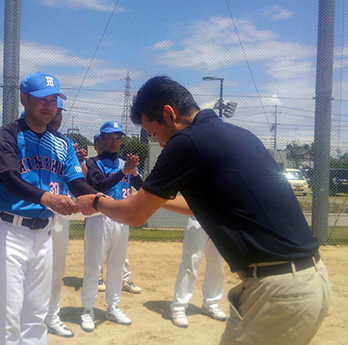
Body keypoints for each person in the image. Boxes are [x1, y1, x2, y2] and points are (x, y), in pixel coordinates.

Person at [77, 76, 331, 345]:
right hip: (298, 280)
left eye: (154, 133)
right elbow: (193, 206)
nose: (159, 142)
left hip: (280, 290)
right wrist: (152, 199)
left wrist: (94, 201)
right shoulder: (236, 133)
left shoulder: (186, 142)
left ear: (169, 114)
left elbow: (134, 215)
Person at [0, 71, 97, 345]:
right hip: (9, 233)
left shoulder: (62, 143)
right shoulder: (8, 135)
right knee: (7, 319)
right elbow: (10, 179)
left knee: (36, 315)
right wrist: (47, 198)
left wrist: (102, 200)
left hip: (44, 235)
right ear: (24, 99)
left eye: (54, 100)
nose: (49, 106)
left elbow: (76, 181)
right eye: (41, 99)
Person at [80, 121, 143, 332]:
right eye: (109, 138)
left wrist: (132, 172)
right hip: (99, 217)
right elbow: (98, 185)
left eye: (118, 138)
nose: (114, 142)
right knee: (93, 266)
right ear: (101, 140)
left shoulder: (125, 163)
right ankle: (87, 309)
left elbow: (142, 188)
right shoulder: (93, 162)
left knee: (116, 266)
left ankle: (113, 306)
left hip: (121, 219)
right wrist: (124, 170)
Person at [44, 98, 77, 338]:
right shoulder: (24, 138)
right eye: (52, 110)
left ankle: (51, 316)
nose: (56, 116)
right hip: (34, 212)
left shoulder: (65, 144)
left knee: (57, 271)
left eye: (59, 112)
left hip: (59, 215)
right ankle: (30, 319)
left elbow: (76, 180)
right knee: (32, 272)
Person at [170, 216, 225, 328]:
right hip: (197, 216)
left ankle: (211, 303)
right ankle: (178, 307)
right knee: (191, 260)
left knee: (217, 263)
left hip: (221, 218)